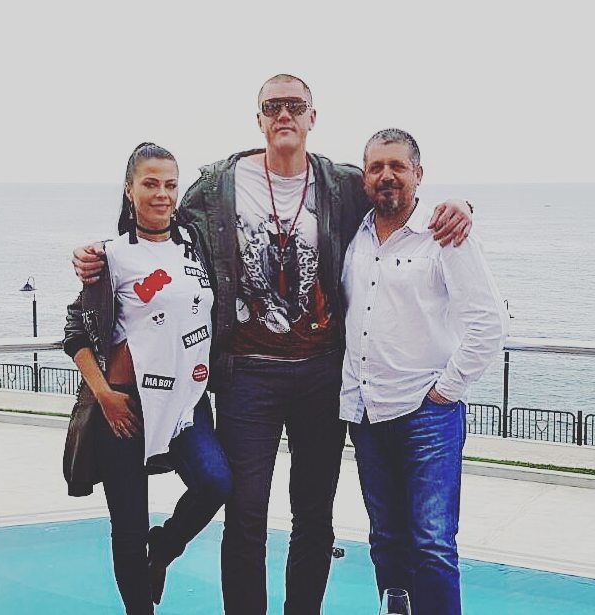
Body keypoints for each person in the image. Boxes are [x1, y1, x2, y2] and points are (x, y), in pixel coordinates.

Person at [71, 75, 472, 615]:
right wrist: (97, 255)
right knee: (245, 517)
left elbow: (398, 197)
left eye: (295, 106)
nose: (284, 114)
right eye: (272, 106)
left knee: (315, 517)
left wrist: (462, 206)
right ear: (258, 118)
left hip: (321, 374)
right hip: (247, 376)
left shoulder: (342, 184)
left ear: (312, 117)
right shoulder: (215, 186)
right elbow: (157, 230)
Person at [340, 128, 509, 615]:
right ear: (364, 178)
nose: (386, 176)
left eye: (398, 166)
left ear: (418, 174)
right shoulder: (352, 233)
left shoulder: (445, 235)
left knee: (432, 544)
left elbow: (489, 323)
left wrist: (446, 391)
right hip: (367, 415)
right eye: (376, 167)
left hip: (427, 415)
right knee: (385, 539)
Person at [63, 143, 232, 615]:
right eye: (150, 183)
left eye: (170, 184)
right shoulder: (110, 257)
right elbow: (75, 332)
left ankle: (165, 548)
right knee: (128, 528)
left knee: (215, 483)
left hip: (187, 402)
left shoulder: (198, 246)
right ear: (129, 189)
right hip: (125, 406)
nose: (161, 194)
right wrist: (104, 395)